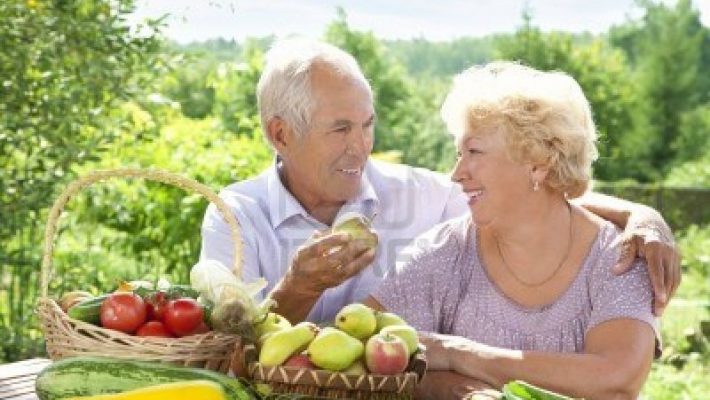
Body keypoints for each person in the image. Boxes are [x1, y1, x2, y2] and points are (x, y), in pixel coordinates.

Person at [199, 38, 679, 326]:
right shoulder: (235, 215)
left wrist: (641, 215)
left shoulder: (415, 194)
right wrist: (297, 290)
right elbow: (226, 351)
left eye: (367, 124)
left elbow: (530, 192)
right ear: (280, 133)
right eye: (341, 129)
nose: (361, 146)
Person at [364, 62, 661, 399]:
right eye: (458, 153)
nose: (457, 173)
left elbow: (617, 378)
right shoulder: (441, 253)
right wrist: (445, 386)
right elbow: (363, 352)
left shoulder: (617, 257)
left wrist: (457, 353)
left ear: (537, 162)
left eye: (473, 152)